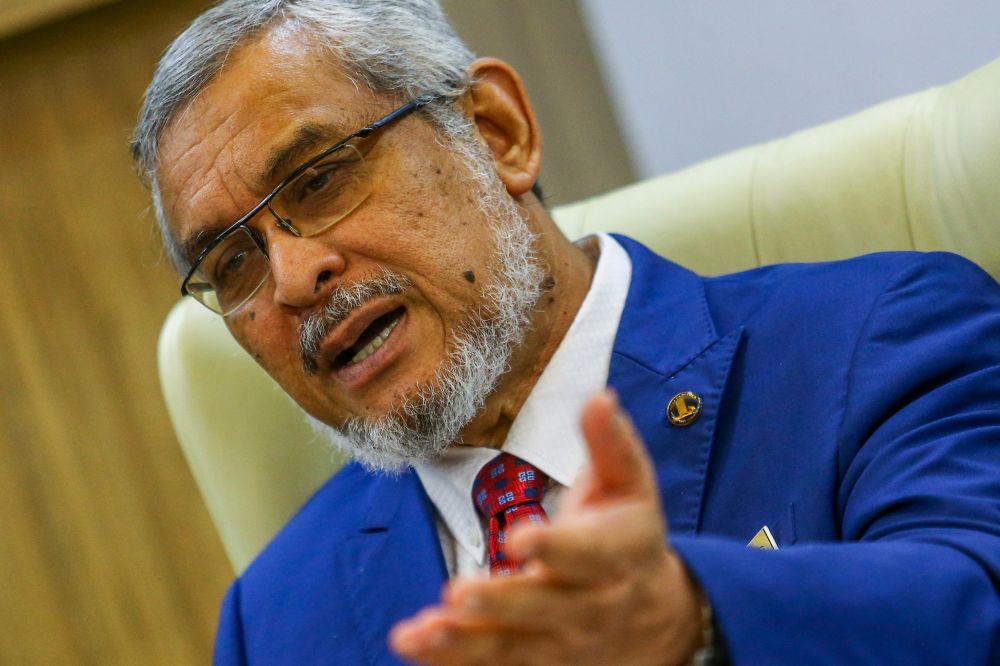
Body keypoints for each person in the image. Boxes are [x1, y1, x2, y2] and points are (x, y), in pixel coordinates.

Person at [132, 1, 1000, 663]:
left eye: (321, 179)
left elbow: (974, 601)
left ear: (495, 133)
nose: (291, 278)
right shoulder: (276, 619)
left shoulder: (881, 337)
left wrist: (692, 618)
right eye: (233, 262)